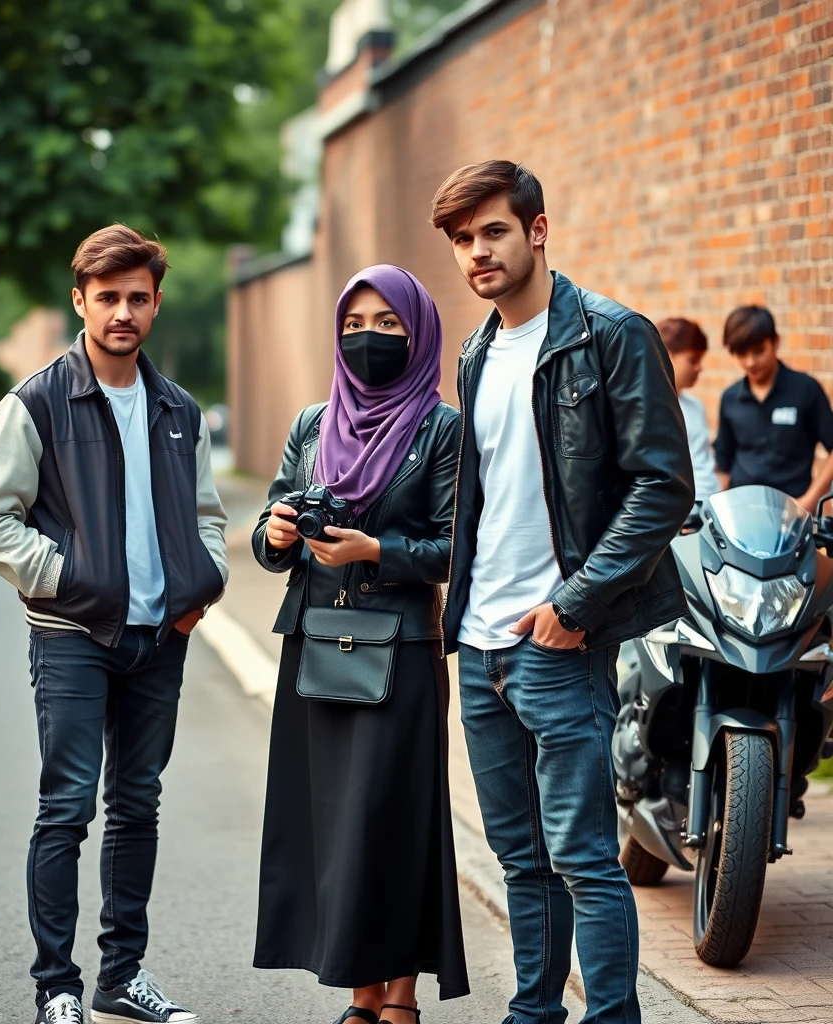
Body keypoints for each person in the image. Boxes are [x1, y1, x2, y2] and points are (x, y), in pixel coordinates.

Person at [431, 161, 693, 1024]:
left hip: (558, 641)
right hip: (479, 646)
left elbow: (661, 486)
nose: (477, 253)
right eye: (463, 240)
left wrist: (573, 607)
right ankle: (533, 1012)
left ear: (537, 230)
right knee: (519, 858)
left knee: (582, 856)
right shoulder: (474, 353)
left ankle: (612, 1016)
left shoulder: (611, 334)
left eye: (493, 231)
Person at [0, 225, 227, 1024]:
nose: (122, 312)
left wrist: (200, 586)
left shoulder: (179, 410)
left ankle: (122, 976)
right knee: (67, 809)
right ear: (80, 301)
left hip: (159, 642)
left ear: (155, 303)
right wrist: (69, 578)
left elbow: (208, 517)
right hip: (72, 638)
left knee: (137, 804)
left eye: (136, 298)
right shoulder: (36, 402)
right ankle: (58, 989)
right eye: (106, 298)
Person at [252, 265, 469, 1024]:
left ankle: (401, 997)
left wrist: (373, 550)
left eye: (387, 324)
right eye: (354, 325)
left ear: (418, 334)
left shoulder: (442, 428)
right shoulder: (313, 424)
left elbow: (452, 550)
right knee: (336, 824)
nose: (368, 338)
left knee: (393, 818)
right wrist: (276, 534)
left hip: (401, 650)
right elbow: (269, 528)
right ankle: (359, 996)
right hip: (316, 645)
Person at [714, 305, 833, 512]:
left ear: (775, 342)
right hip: (742, 513)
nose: (750, 362)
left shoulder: (806, 390)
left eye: (759, 351)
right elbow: (723, 464)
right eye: (742, 354)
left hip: (792, 512)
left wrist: (809, 500)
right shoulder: (730, 398)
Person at [657, 317, 720, 501]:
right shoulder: (647, 409)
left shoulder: (695, 406)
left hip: (709, 509)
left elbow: (703, 464)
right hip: (678, 515)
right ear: (666, 354)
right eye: (693, 360)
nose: (700, 368)